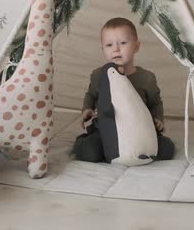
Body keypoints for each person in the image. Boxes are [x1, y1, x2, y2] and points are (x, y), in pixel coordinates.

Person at [73, 17, 175, 162]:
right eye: (109, 45)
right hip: (107, 129)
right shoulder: (99, 76)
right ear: (103, 49)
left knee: (165, 150)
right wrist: (87, 109)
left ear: (136, 46)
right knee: (91, 153)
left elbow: (155, 102)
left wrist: (158, 119)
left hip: (139, 129)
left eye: (122, 43)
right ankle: (82, 142)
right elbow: (90, 94)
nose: (116, 49)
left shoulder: (146, 78)